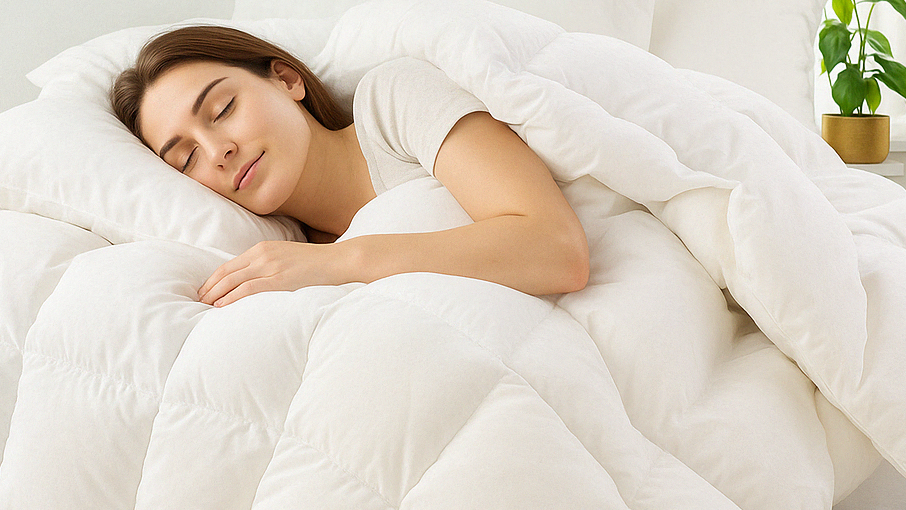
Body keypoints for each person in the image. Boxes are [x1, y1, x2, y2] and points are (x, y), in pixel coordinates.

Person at [110, 25, 590, 307]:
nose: (218, 152)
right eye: (187, 157)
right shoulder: (282, 261)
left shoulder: (392, 101)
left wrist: (342, 262)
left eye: (222, 109)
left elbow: (558, 249)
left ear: (286, 80)